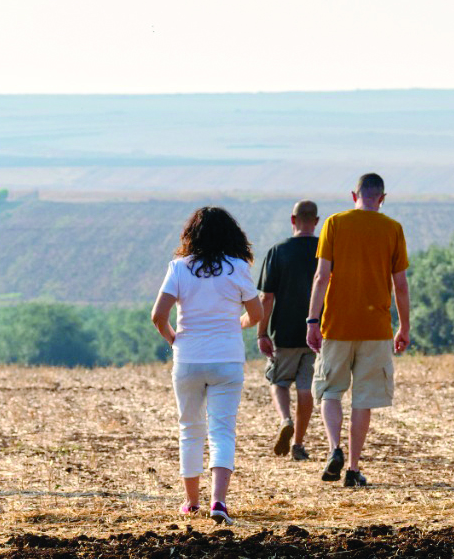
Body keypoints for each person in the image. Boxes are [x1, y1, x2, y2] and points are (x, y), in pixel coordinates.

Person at [151, 206, 264, 524]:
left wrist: (175, 341)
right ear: (231, 235)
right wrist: (236, 325)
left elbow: (158, 316)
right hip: (227, 359)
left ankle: (190, 503)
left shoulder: (178, 268)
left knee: (190, 429)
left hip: (187, 359)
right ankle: (219, 502)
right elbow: (256, 316)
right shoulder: (238, 267)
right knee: (222, 430)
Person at [304, 173, 409, 488]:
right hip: (376, 328)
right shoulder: (393, 229)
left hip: (336, 324)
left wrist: (312, 319)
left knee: (331, 391)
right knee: (363, 398)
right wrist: (404, 326)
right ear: (382, 198)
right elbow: (400, 285)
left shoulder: (335, 223)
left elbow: (322, 277)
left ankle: (335, 448)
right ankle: (352, 468)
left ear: (355, 195)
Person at [257, 200, 321, 461]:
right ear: (317, 222)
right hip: (317, 333)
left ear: (292, 220)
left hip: (284, 333)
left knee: (279, 382)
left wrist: (262, 332)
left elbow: (266, 297)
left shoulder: (278, 251)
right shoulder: (325, 251)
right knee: (306, 389)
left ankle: (285, 419)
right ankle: (298, 444)